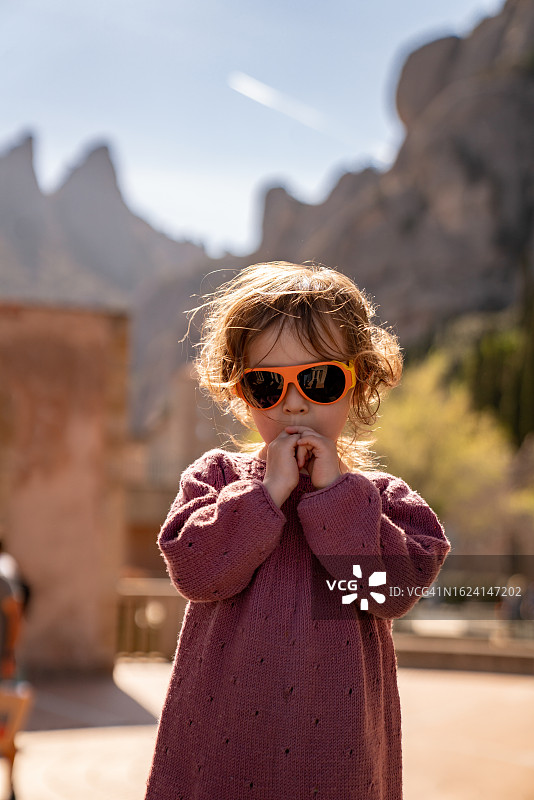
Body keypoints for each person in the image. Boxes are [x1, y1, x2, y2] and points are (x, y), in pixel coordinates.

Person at [144, 261, 451, 800]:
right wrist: (265, 495)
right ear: (240, 393)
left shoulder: (382, 500)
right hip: (219, 753)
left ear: (358, 383)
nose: (293, 401)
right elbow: (194, 572)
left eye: (319, 379)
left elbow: (391, 592)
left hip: (336, 761)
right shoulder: (217, 479)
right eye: (266, 383)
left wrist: (336, 495)